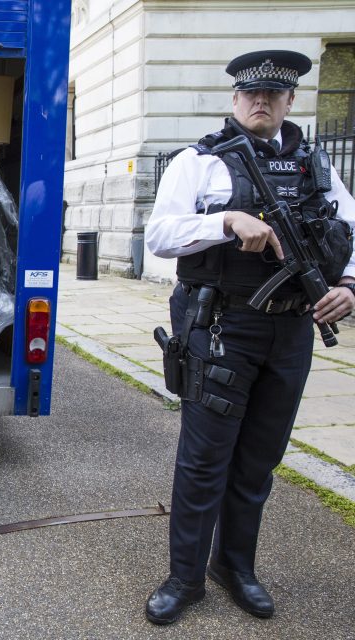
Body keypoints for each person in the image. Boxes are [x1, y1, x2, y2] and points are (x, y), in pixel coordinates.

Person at [144, 50, 355, 625]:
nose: (261, 102)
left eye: (274, 94)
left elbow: (349, 226)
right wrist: (225, 222)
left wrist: (350, 285)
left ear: (291, 102)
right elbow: (158, 234)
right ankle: (184, 577)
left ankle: (234, 566)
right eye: (250, 94)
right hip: (221, 328)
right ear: (235, 99)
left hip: (291, 331)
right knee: (204, 459)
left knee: (259, 460)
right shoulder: (199, 161)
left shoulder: (316, 165)